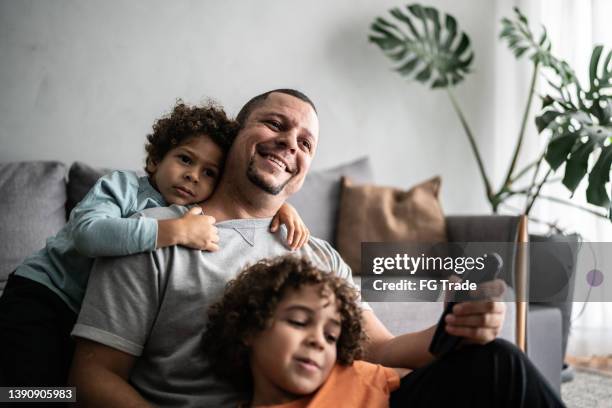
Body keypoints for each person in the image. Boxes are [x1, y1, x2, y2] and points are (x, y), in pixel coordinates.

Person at [70, 89, 564, 407]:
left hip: (342, 401)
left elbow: (383, 348)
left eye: (306, 143)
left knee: (497, 361)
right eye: (275, 124)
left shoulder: (318, 254)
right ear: (234, 137)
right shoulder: (154, 233)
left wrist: (453, 330)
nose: (290, 143)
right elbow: (92, 377)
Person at [0, 100, 309, 387]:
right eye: (185, 160)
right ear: (155, 159)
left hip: (84, 315)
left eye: (209, 172)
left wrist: (281, 206)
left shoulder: (191, 210)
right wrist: (173, 232)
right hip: (43, 294)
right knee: (25, 392)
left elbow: (246, 199)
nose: (192, 177)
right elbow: (88, 235)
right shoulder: (123, 186)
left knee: (59, 389)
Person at [203, 255, 404, 408]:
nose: (318, 341)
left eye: (331, 337)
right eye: (298, 322)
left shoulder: (356, 376)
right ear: (249, 328)